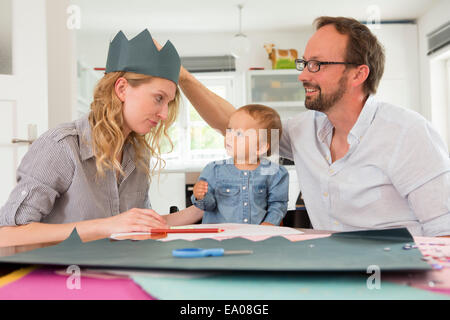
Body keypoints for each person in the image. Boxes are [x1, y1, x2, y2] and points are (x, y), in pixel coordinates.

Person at [173, 16, 450, 236]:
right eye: (304, 63)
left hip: (399, 278)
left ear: (358, 74)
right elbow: (236, 124)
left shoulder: (409, 133)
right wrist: (182, 77)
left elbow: (444, 232)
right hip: (332, 273)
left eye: (316, 64)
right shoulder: (304, 130)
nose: (303, 75)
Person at [0, 29, 203, 245]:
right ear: (122, 89)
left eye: (168, 103)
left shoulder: (137, 154)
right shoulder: (62, 146)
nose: (164, 114)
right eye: (158, 98)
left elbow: (135, 224)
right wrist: (106, 226)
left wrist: (200, 209)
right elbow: (7, 233)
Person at [176, 104, 289, 226]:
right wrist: (200, 196)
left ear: (260, 147)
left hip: (255, 238)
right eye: (229, 130)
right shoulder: (213, 170)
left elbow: (278, 205)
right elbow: (208, 206)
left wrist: (269, 223)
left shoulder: (276, 173)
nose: (229, 136)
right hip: (219, 238)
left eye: (239, 134)